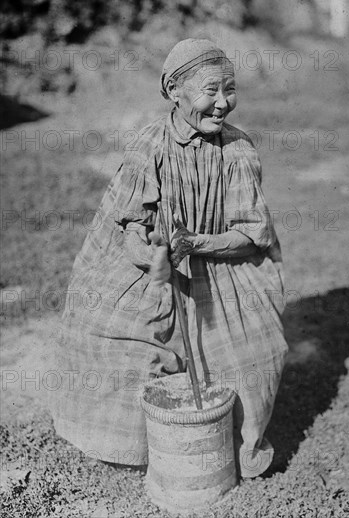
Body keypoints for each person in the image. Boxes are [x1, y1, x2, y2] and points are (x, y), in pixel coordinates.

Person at [51, 38, 288, 478]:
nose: (222, 103)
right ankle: (138, 451)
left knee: (258, 351)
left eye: (229, 90)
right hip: (146, 270)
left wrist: (196, 244)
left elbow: (251, 235)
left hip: (222, 270)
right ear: (174, 90)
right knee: (120, 346)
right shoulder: (150, 145)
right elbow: (130, 227)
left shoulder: (239, 150)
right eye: (210, 90)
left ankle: (231, 451)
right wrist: (156, 256)